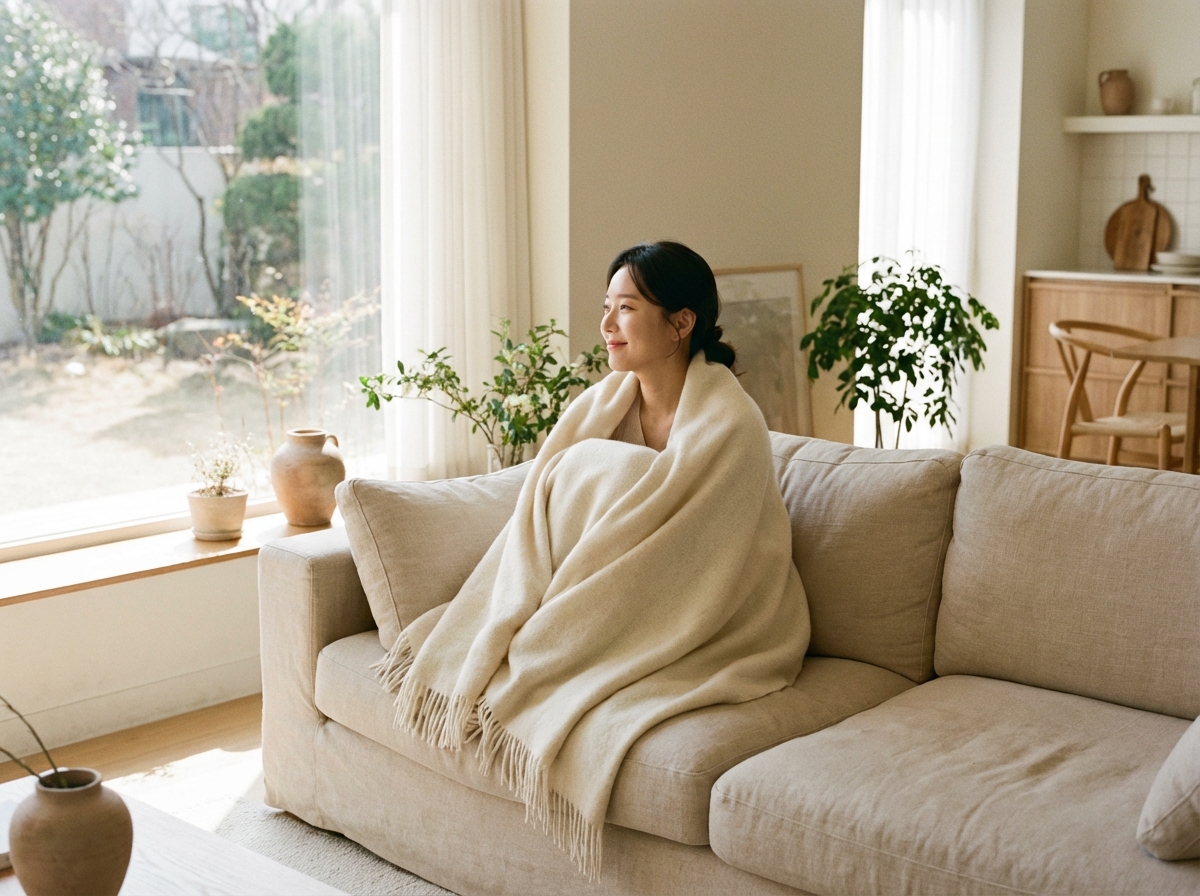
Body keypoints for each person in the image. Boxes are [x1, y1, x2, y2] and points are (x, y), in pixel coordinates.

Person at [601, 241, 737, 451]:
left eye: (625, 307)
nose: (606, 325)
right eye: (607, 308)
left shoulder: (731, 424)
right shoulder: (600, 414)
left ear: (681, 323)